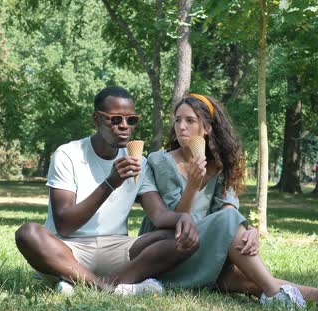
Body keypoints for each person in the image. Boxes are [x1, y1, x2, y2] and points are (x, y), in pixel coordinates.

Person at [138, 93, 318, 311]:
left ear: (207, 128)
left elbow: (229, 209)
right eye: (178, 120)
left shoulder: (220, 165)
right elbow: (178, 221)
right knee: (241, 254)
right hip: (168, 255)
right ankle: (278, 293)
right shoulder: (162, 161)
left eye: (190, 120)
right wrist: (192, 186)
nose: (181, 127)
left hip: (206, 250)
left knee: (250, 280)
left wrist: (249, 230)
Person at [15, 86, 199, 295]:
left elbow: (158, 215)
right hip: (68, 250)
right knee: (28, 233)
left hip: (117, 249)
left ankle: (83, 284)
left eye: (131, 120)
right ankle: (107, 288)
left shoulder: (140, 162)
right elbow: (65, 225)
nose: (124, 126)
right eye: (115, 119)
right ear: (96, 119)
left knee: (182, 239)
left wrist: (182, 219)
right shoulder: (68, 154)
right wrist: (110, 183)